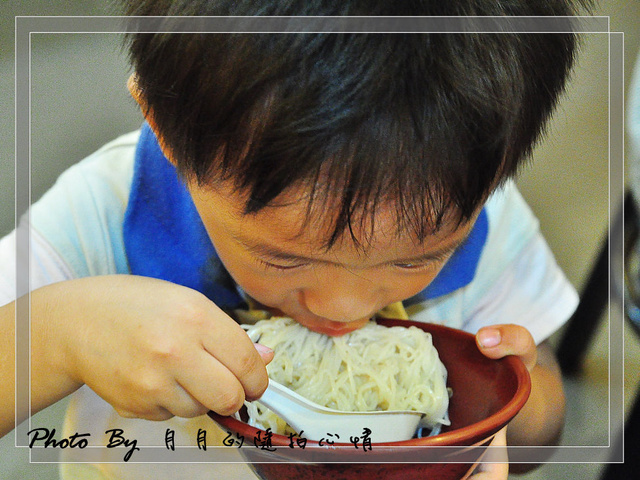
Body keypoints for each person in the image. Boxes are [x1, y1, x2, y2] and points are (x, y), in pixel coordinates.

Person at [0, 0, 590, 478]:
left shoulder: (480, 214)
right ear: (168, 132)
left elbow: (543, 426)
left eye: (417, 258)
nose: (344, 309)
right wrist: (59, 334)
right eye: (283, 259)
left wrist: (498, 412)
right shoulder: (106, 214)